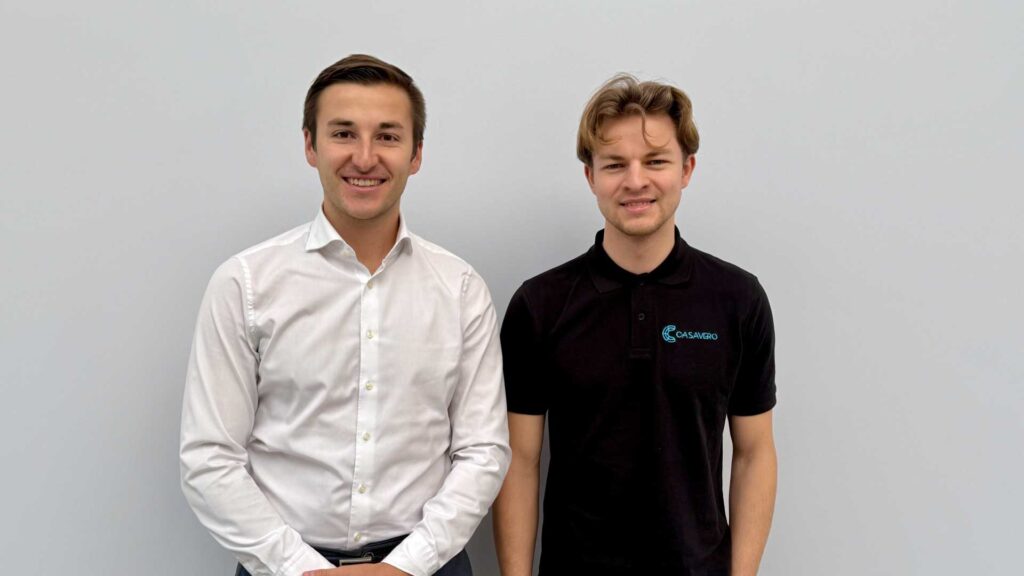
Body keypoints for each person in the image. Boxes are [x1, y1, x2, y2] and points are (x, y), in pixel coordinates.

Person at [180, 54, 510, 576]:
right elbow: (209, 456)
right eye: (343, 133)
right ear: (310, 145)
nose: (364, 157)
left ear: (416, 154)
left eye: (387, 136)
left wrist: (406, 566)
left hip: (426, 565)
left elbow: (483, 450)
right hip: (281, 566)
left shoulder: (461, 289)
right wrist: (298, 567)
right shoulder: (244, 284)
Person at [493, 74, 778, 575]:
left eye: (656, 161)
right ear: (590, 177)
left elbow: (753, 453)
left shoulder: (737, 299)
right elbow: (520, 459)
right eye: (615, 164)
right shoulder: (540, 305)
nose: (635, 181)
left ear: (687, 169)